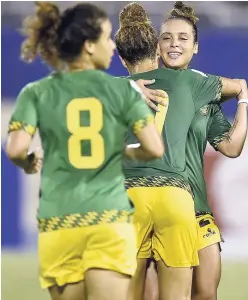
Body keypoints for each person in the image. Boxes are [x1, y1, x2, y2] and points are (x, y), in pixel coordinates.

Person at [5, 2, 164, 300]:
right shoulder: (123, 90)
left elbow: (15, 148)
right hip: (108, 220)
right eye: (106, 38)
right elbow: (154, 148)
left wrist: (28, 162)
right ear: (89, 46)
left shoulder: (36, 92)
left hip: (59, 223)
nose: (113, 46)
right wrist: (124, 153)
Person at [114, 3, 245, 300]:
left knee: (204, 293)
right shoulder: (192, 84)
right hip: (175, 200)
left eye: (183, 38)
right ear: (156, 46)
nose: (174, 44)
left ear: (196, 47)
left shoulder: (122, 87)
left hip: (188, 205)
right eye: (167, 38)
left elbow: (230, 145)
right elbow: (236, 85)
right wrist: (242, 92)